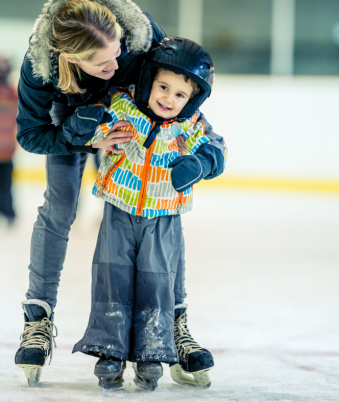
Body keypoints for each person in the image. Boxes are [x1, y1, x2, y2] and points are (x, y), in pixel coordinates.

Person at [14, 0, 226, 387]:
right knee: (59, 208)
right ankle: (38, 320)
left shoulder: (140, 35)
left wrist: (205, 154)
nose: (114, 67)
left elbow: (184, 98)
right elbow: (30, 134)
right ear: (69, 58)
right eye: (103, 65)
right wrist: (87, 138)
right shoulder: (39, 66)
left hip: (133, 113)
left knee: (161, 211)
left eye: (118, 55)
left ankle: (175, 324)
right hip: (74, 122)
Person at [62, 37, 225, 391]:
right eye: (163, 87)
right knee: (112, 280)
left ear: (191, 99)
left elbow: (217, 149)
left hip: (163, 219)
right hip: (118, 211)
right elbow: (92, 129)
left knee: (155, 283)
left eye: (179, 94)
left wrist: (200, 163)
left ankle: (153, 350)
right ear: (150, 81)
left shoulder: (190, 125)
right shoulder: (124, 108)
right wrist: (83, 123)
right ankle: (110, 349)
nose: (168, 98)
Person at [0, 57, 17, 226]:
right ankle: (9, 212)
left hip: (6, 148)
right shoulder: (11, 92)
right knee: (6, 184)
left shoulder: (12, 93)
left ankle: (9, 212)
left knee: (6, 184)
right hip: (7, 148)